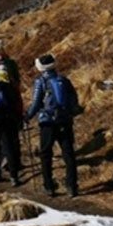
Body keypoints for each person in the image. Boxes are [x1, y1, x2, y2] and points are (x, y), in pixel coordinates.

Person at [26, 54, 79, 197]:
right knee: (68, 154)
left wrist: (27, 116)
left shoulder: (41, 82)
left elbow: (36, 103)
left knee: (46, 154)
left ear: (41, 67)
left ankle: (49, 186)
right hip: (65, 121)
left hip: (47, 122)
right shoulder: (64, 80)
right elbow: (74, 100)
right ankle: (72, 186)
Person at [0, 39, 24, 173]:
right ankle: (15, 162)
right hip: (12, 103)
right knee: (13, 135)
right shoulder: (11, 64)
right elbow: (17, 81)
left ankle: (2, 165)